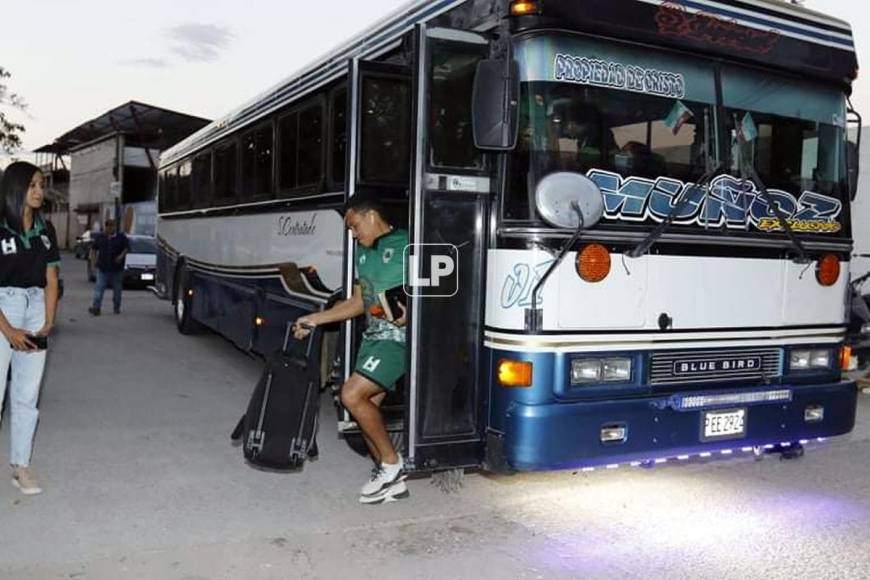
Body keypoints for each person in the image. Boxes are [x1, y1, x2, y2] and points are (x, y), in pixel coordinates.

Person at [293, 191, 409, 505]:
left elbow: (440, 292)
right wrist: (314, 319)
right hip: (373, 338)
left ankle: (391, 464)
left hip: (398, 340)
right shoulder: (362, 252)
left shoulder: (410, 244)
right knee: (365, 409)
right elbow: (358, 302)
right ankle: (390, 480)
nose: (353, 233)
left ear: (371, 216)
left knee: (351, 395)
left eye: (355, 225)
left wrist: (413, 311)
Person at [0, 161, 61, 495]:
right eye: (33, 185)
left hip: (35, 307)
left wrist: (49, 320)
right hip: (3, 308)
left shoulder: (46, 229)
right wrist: (8, 330)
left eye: (41, 185)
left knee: (26, 396)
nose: (40, 191)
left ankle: (20, 466)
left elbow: (51, 278)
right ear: (15, 188)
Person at [88, 218, 128, 315]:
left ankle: (116, 307)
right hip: (103, 267)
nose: (109, 229)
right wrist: (93, 262)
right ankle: (96, 307)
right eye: (107, 226)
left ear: (114, 227)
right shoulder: (101, 237)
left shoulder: (121, 237)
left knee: (117, 290)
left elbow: (126, 248)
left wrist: (121, 256)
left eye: (111, 226)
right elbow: (93, 249)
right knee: (99, 288)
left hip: (117, 268)